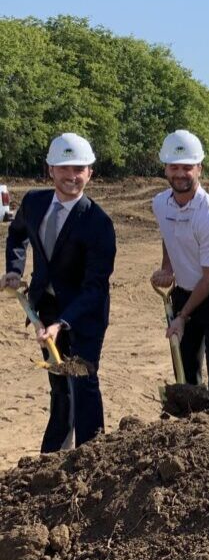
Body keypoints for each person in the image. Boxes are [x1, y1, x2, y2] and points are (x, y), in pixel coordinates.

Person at [3, 133, 116, 452]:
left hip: (84, 314)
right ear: (50, 170)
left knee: (83, 383)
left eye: (79, 169)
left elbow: (96, 286)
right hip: (47, 306)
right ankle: (53, 460)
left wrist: (62, 323)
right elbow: (17, 234)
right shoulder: (34, 204)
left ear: (90, 173)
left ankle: (92, 458)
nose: (72, 176)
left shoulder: (98, 223)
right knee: (59, 386)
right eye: (64, 168)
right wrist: (15, 268)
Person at [150, 129, 209, 416]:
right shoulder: (160, 203)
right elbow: (169, 233)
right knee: (185, 365)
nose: (180, 173)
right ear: (166, 168)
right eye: (174, 167)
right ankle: (192, 428)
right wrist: (168, 266)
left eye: (187, 167)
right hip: (186, 292)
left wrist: (181, 316)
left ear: (199, 169)